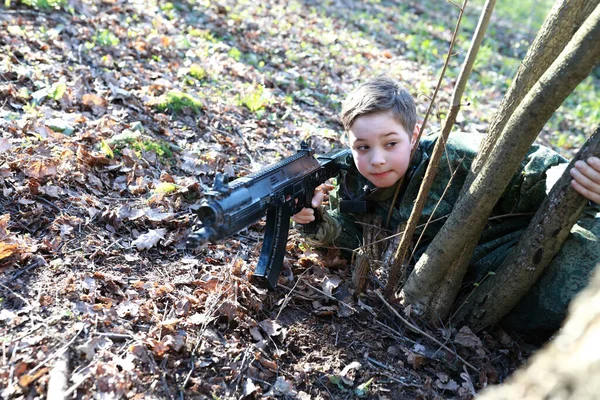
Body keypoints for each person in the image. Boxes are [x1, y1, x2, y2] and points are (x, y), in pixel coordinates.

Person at [292, 76, 600, 336]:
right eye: (363, 147)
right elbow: (351, 237)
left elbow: (528, 166)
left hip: (527, 262)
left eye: (390, 144)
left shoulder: (452, 157)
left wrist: (561, 177)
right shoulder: (352, 179)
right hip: (479, 305)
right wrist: (314, 222)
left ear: (413, 136)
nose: (377, 159)